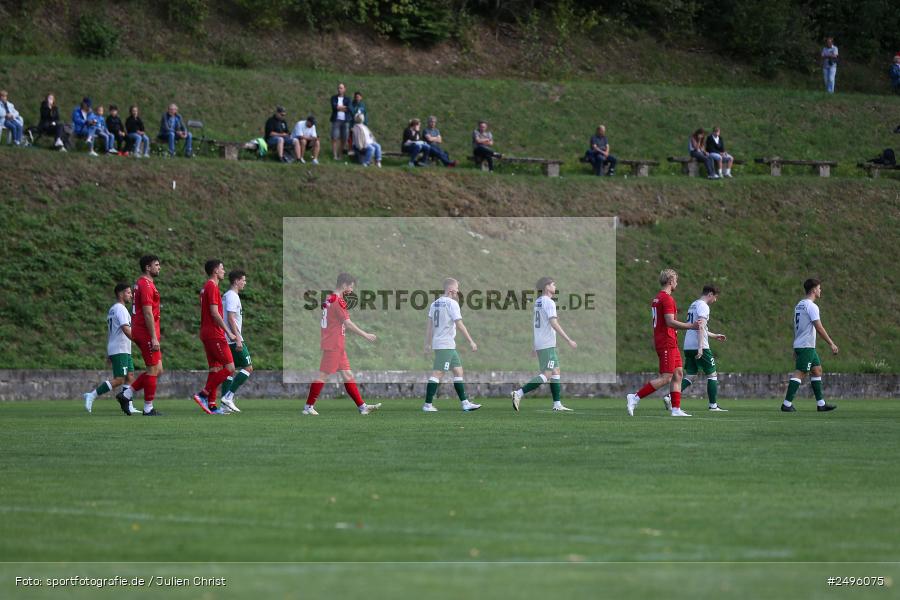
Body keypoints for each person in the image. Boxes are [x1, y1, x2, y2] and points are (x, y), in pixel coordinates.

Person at [626, 269, 702, 417]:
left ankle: (676, 409)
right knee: (666, 377)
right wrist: (691, 326)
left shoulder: (658, 298)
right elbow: (670, 321)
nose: (677, 283)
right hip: (666, 341)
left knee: (678, 374)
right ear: (670, 281)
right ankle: (635, 397)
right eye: (676, 280)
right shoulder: (666, 299)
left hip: (670, 341)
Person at [302, 272, 381, 416]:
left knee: (347, 374)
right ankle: (308, 407)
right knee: (323, 376)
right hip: (334, 344)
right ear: (344, 285)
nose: (351, 290)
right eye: (350, 287)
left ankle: (362, 407)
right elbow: (348, 324)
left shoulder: (329, 298)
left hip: (336, 343)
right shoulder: (338, 301)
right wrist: (366, 334)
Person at [510, 277, 577, 412]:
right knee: (546, 374)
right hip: (547, 344)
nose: (555, 286)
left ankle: (557, 404)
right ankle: (519, 393)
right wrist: (568, 339)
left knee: (555, 371)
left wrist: (535, 345)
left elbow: (538, 326)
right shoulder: (549, 302)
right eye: (553, 284)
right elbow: (553, 322)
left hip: (543, 343)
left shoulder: (538, 302)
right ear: (547, 287)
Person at [422, 278, 481, 412]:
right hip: (445, 345)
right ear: (451, 290)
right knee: (438, 373)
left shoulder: (434, 304)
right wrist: (471, 341)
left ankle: (465, 403)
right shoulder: (452, 304)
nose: (458, 292)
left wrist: (427, 343)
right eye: (456, 289)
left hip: (444, 344)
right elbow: (459, 324)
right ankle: (427, 405)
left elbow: (429, 327)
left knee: (458, 371)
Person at [115, 255, 164, 416]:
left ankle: (126, 395)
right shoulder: (145, 284)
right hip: (145, 332)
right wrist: (153, 337)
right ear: (147, 268)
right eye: (156, 265)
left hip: (148, 330)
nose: (159, 267)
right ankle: (148, 408)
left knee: (158, 369)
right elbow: (147, 312)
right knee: (152, 369)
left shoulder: (145, 283)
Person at [781, 278, 838, 413]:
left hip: (803, 345)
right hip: (806, 345)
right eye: (819, 288)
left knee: (817, 370)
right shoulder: (812, 306)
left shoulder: (799, 305)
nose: (820, 290)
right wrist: (831, 343)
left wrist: (795, 345)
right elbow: (819, 327)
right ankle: (786, 404)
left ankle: (821, 404)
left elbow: (797, 327)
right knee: (800, 373)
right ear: (813, 290)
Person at [83, 283, 139, 415]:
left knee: (130, 376)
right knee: (119, 379)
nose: (131, 295)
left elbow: (112, 331)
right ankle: (91, 395)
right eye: (128, 292)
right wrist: (139, 341)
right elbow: (126, 329)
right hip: (120, 349)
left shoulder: (114, 309)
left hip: (122, 348)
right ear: (120, 294)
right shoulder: (120, 309)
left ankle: (128, 404)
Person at [192, 260, 237, 415]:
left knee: (215, 369)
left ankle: (211, 405)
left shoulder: (206, 287)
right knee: (230, 368)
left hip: (206, 332)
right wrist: (228, 332)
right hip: (214, 334)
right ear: (215, 271)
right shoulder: (212, 286)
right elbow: (214, 312)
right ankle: (203, 394)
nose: (224, 271)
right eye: (222, 269)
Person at [678, 284, 728, 412]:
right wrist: (700, 348)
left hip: (688, 345)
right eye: (715, 297)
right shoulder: (704, 306)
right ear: (710, 294)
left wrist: (714, 335)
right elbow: (700, 326)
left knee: (691, 375)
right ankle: (713, 406)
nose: (715, 300)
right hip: (700, 345)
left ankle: (670, 397)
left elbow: (700, 327)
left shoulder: (694, 304)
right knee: (712, 375)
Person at [219, 269, 252, 413]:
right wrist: (238, 338)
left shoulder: (226, 295)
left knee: (229, 370)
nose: (245, 282)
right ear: (236, 281)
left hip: (227, 338)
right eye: (243, 280)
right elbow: (231, 318)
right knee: (248, 367)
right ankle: (228, 396)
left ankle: (224, 405)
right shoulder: (232, 296)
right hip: (233, 339)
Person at [330, 83, 351, 160]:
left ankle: (340, 154)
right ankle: (334, 155)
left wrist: (339, 107)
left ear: (344, 89)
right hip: (336, 120)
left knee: (344, 139)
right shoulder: (333, 98)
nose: (339, 89)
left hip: (345, 121)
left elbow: (349, 108)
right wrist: (342, 108)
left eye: (341, 88)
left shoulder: (348, 99)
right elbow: (334, 107)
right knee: (335, 138)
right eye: (338, 88)